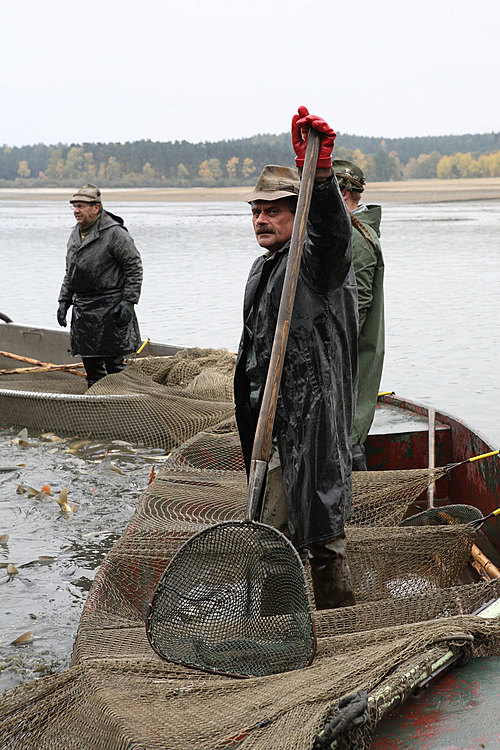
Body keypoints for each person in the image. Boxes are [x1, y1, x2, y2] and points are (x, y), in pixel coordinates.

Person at [234, 107, 358, 609]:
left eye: (274, 211)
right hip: (269, 415)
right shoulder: (265, 267)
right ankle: (277, 622)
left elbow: (332, 234)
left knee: (318, 529)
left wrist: (321, 176)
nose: (262, 219)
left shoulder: (316, 262)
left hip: (311, 414)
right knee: (272, 528)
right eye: (257, 212)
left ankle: (330, 620)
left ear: (296, 214)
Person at [57, 184, 143, 388]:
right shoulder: (75, 234)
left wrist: (129, 301)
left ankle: (124, 405)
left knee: (115, 367)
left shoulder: (115, 233)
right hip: (84, 311)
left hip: (111, 308)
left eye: (81, 206)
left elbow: (134, 268)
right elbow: (71, 271)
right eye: (74, 206)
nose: (76, 210)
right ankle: (97, 406)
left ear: (96, 208)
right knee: (92, 368)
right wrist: (64, 301)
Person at [333, 160, 385, 471]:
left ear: (345, 193)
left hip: (349, 360)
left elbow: (357, 308)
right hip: (346, 359)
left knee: (347, 438)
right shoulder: (349, 231)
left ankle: (359, 502)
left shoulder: (357, 237)